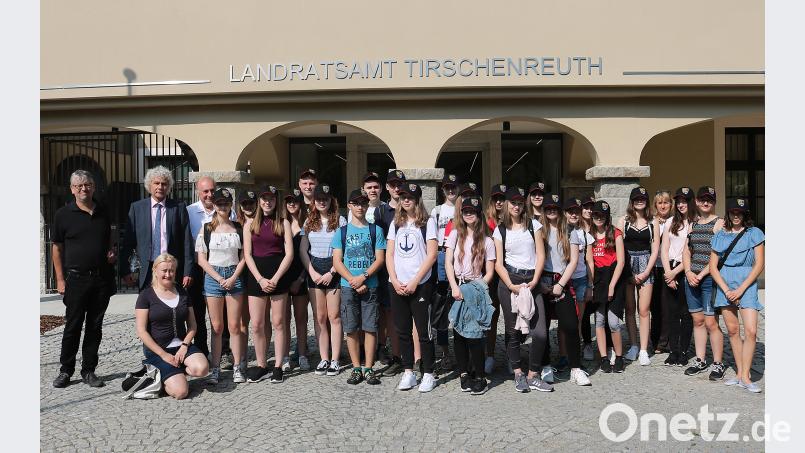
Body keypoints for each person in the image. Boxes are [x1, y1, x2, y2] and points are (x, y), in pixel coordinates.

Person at [51, 170, 117, 388]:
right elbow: (57, 249)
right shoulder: (63, 214)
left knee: (94, 327)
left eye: (87, 184)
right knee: (73, 326)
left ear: (93, 187)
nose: (83, 189)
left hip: (101, 280)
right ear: (71, 189)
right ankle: (65, 370)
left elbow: (109, 239)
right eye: (78, 186)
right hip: (76, 280)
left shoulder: (104, 210)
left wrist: (111, 252)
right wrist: (60, 280)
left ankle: (89, 370)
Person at [493, 187, 553, 393]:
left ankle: (533, 374)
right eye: (513, 203)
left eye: (519, 203)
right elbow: (498, 263)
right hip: (510, 281)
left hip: (532, 281)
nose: (516, 206)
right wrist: (511, 286)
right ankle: (518, 372)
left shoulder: (533, 225)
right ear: (507, 205)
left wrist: (535, 280)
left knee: (541, 333)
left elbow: (541, 255)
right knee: (512, 332)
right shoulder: (500, 230)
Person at [386, 183, 439, 392]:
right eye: (403, 197)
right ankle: (408, 371)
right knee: (403, 331)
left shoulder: (427, 223)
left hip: (421, 285)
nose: (406, 200)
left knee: (424, 332)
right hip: (397, 285)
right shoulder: (396, 223)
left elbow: (432, 255)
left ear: (417, 200)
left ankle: (428, 373)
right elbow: (389, 254)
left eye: (411, 197)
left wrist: (416, 280)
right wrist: (394, 279)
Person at [332, 189, 387, 385]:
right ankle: (356, 367)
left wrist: (363, 277)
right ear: (349, 206)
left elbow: (380, 259)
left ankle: (369, 367)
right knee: (352, 328)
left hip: (370, 285)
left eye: (363, 203)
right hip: (348, 286)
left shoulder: (375, 230)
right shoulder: (342, 231)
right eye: (356, 203)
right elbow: (337, 261)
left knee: (371, 327)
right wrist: (353, 280)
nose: (360, 207)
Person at [135, 254, 209, 399]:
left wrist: (184, 345)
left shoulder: (183, 293)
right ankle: (162, 375)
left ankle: (175, 373)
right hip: (158, 351)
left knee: (202, 369)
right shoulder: (146, 296)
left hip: (181, 346)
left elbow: (193, 325)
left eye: (171, 271)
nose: (168, 274)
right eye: (164, 270)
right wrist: (163, 355)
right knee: (181, 392)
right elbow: (141, 331)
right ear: (155, 270)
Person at [710, 198, 765, 393]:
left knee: (750, 331)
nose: (736, 216)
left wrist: (741, 289)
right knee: (733, 330)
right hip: (725, 283)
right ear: (728, 214)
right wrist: (726, 290)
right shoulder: (720, 236)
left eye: (740, 213)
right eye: (733, 212)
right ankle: (740, 374)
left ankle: (747, 376)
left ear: (745, 215)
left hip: (747, 283)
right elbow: (713, 267)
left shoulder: (754, 234)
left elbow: (759, 264)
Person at [195, 188, 246, 384]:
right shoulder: (206, 228)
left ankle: (237, 366)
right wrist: (218, 278)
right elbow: (202, 259)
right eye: (219, 203)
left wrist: (233, 277)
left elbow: (244, 257)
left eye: (226, 203)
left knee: (234, 326)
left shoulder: (238, 227)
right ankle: (215, 368)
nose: (223, 206)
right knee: (216, 327)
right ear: (214, 205)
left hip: (234, 275)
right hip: (213, 277)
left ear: (231, 204)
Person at [445, 196, 496, 395]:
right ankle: (464, 373)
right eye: (466, 211)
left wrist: (478, 288)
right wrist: (454, 287)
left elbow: (490, 271)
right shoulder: (455, 235)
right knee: (458, 333)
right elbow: (448, 263)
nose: (469, 214)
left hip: (476, 288)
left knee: (475, 335)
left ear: (478, 214)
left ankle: (480, 376)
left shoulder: (487, 240)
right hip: (458, 286)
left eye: (472, 211)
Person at [243, 185, 294, 383]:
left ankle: (278, 365)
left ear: (276, 201)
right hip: (257, 277)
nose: (267, 202)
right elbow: (247, 254)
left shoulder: (284, 223)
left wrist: (275, 278)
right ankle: (262, 364)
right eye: (264, 198)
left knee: (279, 322)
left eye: (271, 198)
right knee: (256, 324)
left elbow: (289, 253)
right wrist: (260, 279)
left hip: (278, 276)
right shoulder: (250, 225)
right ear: (259, 201)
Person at [539, 195, 590, 386]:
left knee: (570, 325)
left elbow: (574, 260)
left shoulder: (571, 231)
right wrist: (539, 284)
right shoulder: (537, 229)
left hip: (563, 281)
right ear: (544, 210)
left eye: (555, 208)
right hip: (542, 280)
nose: (552, 211)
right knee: (541, 328)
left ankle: (575, 368)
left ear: (560, 211)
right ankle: (544, 366)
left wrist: (560, 285)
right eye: (548, 208)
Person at [186, 176, 237, 366]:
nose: (208, 195)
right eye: (204, 191)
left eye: (211, 191)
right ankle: (200, 351)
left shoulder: (229, 213)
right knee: (197, 311)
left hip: (222, 267)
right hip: (197, 268)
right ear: (198, 192)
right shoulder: (189, 211)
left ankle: (224, 351)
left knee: (222, 313)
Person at [121, 165, 193, 292]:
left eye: (164, 184)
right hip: (146, 268)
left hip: (171, 268)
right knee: (147, 307)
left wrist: (188, 271)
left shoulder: (178, 208)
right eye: (156, 183)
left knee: (171, 305)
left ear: (169, 187)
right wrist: (125, 270)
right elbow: (128, 242)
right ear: (149, 185)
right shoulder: (137, 208)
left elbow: (187, 242)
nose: (160, 187)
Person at [300, 183, 347, 376]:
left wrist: (333, 271)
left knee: (334, 316)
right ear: (314, 201)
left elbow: (344, 250)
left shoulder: (341, 221)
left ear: (331, 201)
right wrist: (311, 271)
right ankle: (324, 358)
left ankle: (335, 359)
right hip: (314, 268)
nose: (322, 202)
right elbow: (303, 249)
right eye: (318, 199)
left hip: (333, 267)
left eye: (325, 199)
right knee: (319, 317)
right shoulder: (309, 221)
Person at [682, 186, 726, 380]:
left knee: (711, 322)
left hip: (709, 279)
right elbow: (686, 251)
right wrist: (689, 271)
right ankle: (700, 359)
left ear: (713, 202)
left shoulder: (719, 224)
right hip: (691, 278)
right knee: (697, 321)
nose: (706, 202)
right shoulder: (693, 224)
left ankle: (718, 363)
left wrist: (701, 275)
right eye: (702, 199)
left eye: (709, 199)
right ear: (697, 202)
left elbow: (718, 255)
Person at [617, 187, 660, 365]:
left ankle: (643, 348)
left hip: (645, 263)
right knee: (629, 308)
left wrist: (646, 271)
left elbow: (655, 249)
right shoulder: (623, 221)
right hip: (628, 264)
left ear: (646, 200)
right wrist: (627, 271)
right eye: (636, 198)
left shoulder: (653, 222)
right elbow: (619, 247)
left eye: (642, 198)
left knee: (644, 310)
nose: (639, 201)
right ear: (631, 201)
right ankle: (633, 345)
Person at [590, 201, 627, 373]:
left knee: (613, 322)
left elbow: (621, 262)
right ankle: (604, 357)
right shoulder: (589, 235)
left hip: (613, 279)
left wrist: (612, 285)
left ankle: (619, 357)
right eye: (596, 215)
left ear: (607, 217)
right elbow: (589, 261)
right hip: (598, 280)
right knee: (599, 320)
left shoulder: (616, 233)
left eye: (602, 215)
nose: (599, 218)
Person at [660, 187, 695, 367]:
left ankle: (683, 350)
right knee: (671, 313)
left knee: (686, 313)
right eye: (679, 201)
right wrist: (668, 273)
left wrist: (675, 272)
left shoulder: (695, 223)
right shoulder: (671, 222)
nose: (681, 204)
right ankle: (673, 351)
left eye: (685, 201)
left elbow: (692, 253)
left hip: (686, 269)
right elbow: (664, 249)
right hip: (670, 269)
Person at [378, 170, 407, 377]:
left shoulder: (412, 208)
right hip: (389, 272)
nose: (396, 188)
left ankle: (414, 358)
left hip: (411, 271)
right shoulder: (381, 213)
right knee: (391, 316)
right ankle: (396, 357)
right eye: (393, 184)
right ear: (387, 187)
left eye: (400, 184)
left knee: (412, 317)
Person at [431, 173, 460, 371]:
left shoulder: (463, 210)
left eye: (454, 187)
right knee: (441, 308)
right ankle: (444, 352)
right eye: (447, 187)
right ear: (443, 190)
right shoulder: (437, 211)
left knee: (459, 305)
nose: (451, 190)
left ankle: (462, 352)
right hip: (442, 256)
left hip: (459, 257)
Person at [282, 188, 311, 371]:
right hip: (283, 278)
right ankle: (284, 356)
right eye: (289, 201)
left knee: (301, 318)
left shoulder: (307, 224)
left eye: (296, 201)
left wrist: (300, 279)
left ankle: (302, 354)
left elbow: (309, 254)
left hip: (301, 276)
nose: (292, 204)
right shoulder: (280, 223)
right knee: (282, 320)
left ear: (301, 204)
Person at [564, 198, 595, 363]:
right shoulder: (561, 232)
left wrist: (590, 285)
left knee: (579, 318)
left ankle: (575, 350)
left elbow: (590, 261)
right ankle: (565, 352)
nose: (574, 215)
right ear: (565, 214)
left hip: (581, 280)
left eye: (576, 212)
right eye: (570, 212)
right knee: (566, 318)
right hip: (565, 281)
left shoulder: (584, 234)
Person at [483, 184, 507, 374]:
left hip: (509, 273)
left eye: (502, 198)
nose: (499, 202)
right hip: (491, 274)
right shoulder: (486, 222)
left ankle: (510, 355)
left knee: (511, 317)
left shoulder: (513, 220)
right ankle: (489, 355)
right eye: (496, 198)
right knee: (492, 316)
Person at [577, 195, 601, 361]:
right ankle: (586, 343)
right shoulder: (576, 229)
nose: (589, 210)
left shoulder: (599, 227)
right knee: (583, 313)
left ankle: (606, 346)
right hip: (582, 275)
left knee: (601, 311)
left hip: (600, 274)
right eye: (586, 207)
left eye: (591, 208)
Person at [236, 189, 257, 365]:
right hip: (240, 274)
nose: (248, 206)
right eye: (245, 204)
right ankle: (241, 357)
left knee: (261, 320)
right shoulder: (235, 225)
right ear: (240, 206)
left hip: (257, 273)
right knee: (242, 321)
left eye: (251, 203)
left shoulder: (262, 223)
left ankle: (262, 355)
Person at [650, 190, 673, 353]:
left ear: (671, 205)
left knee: (667, 306)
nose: (663, 205)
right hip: (653, 267)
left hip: (669, 267)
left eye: (666, 202)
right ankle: (655, 339)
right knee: (654, 306)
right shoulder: (651, 222)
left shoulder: (674, 222)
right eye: (660, 202)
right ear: (655, 205)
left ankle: (665, 341)